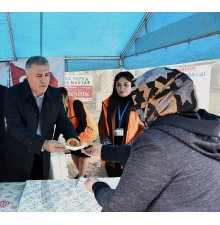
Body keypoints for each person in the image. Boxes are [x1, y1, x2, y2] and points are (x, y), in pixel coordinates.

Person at [85, 67, 220, 211]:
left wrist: (96, 186)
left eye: (139, 101)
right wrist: (104, 150)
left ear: (153, 100)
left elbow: (120, 207)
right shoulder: (205, 131)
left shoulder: (156, 142)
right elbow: (157, 156)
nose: (138, 109)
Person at [4, 56, 78, 182]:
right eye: (39, 76)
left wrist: (73, 139)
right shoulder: (12, 94)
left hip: (43, 154)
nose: (44, 80)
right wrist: (43, 143)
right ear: (27, 76)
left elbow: (63, 121)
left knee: (42, 188)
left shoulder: (55, 95)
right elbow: (14, 126)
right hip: (19, 153)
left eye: (47, 75)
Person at [98, 71, 144, 177]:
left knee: (129, 183)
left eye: (126, 84)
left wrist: (132, 142)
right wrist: (106, 141)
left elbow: (143, 128)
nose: (121, 88)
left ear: (132, 85)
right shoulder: (107, 103)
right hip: (111, 150)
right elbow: (101, 124)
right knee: (113, 181)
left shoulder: (139, 104)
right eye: (118, 84)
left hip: (130, 151)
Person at [54, 87, 98, 178]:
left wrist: (73, 136)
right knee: (74, 154)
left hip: (86, 132)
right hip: (73, 133)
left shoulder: (76, 104)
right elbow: (59, 124)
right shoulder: (58, 108)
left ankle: (81, 178)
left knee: (83, 156)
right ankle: (82, 175)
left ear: (64, 98)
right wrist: (54, 139)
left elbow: (83, 123)